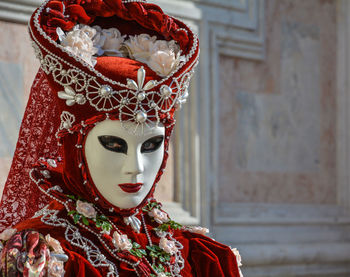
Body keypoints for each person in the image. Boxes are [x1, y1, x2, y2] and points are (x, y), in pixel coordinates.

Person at [0, 0, 243, 276]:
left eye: (151, 145)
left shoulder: (201, 256)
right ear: (74, 145)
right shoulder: (42, 256)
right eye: (114, 144)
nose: (136, 167)